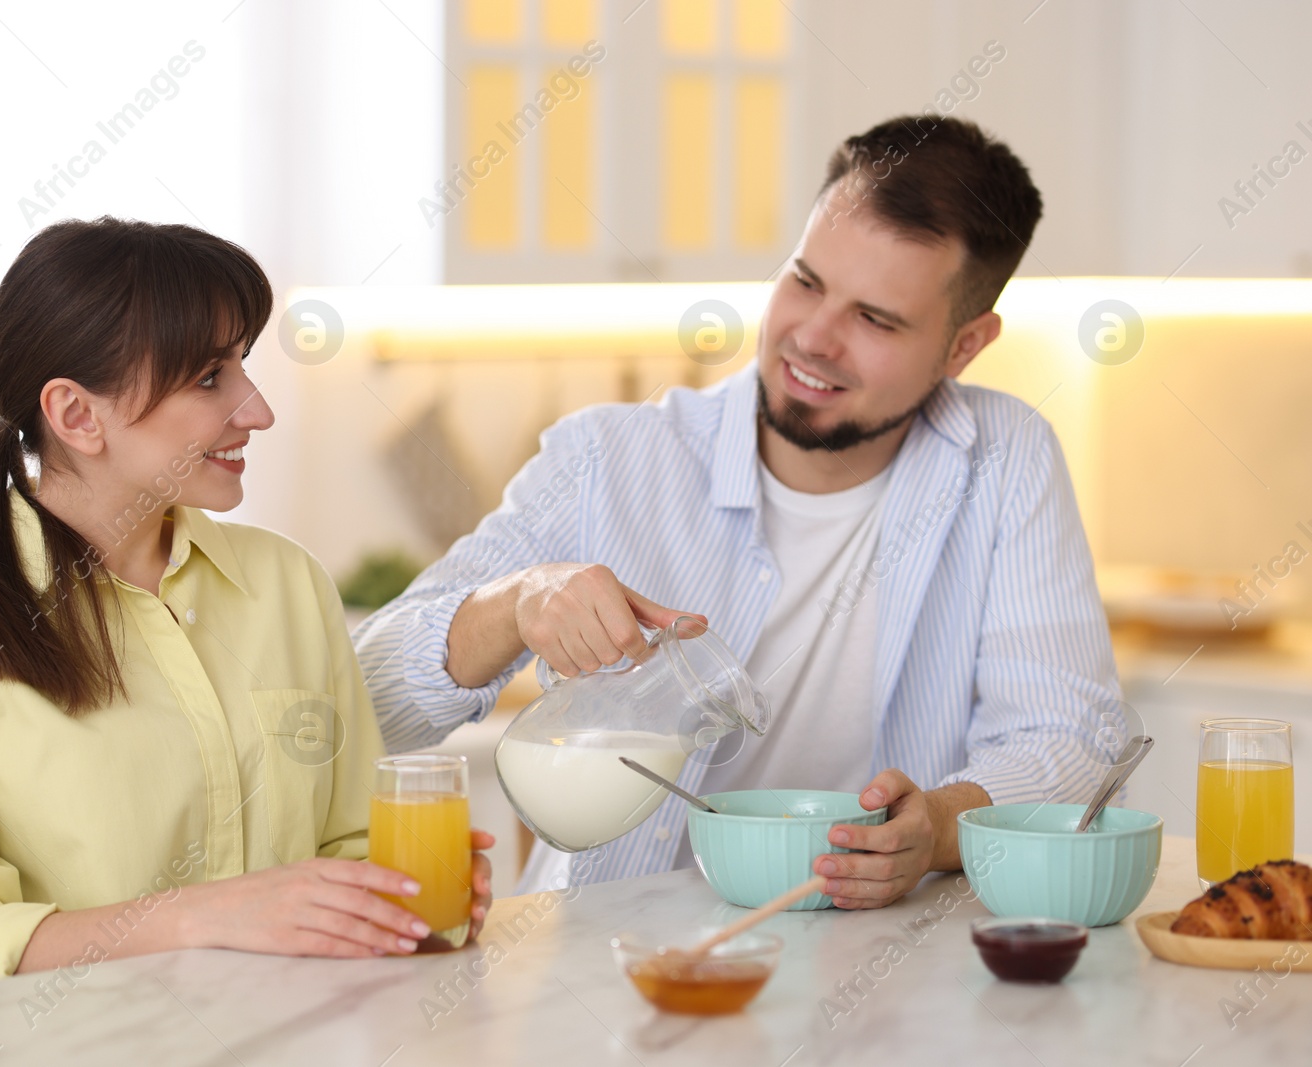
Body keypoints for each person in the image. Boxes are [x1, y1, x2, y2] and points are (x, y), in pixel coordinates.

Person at [355, 116, 1123, 909]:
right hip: (607, 964)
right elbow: (367, 700)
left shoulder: (1005, 460)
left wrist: (937, 826)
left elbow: (1073, 741)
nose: (813, 339)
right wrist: (514, 603)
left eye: (875, 319)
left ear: (965, 346)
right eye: (807, 281)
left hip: (879, 973)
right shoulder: (609, 458)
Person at [0, 218, 491, 993]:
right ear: (77, 415)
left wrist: (397, 902)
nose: (257, 410)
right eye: (210, 378)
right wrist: (205, 913)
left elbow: (346, 846)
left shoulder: (288, 585)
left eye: (242, 365)